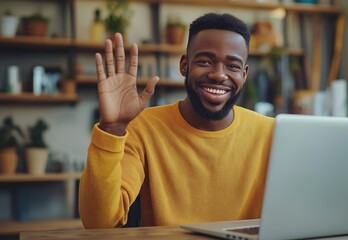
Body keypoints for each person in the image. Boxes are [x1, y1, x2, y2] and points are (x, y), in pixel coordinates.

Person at [79, 12, 275, 229]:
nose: (219, 74)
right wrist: (112, 128)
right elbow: (98, 223)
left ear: (245, 75)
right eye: (205, 61)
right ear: (185, 66)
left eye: (233, 66)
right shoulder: (141, 128)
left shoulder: (271, 134)